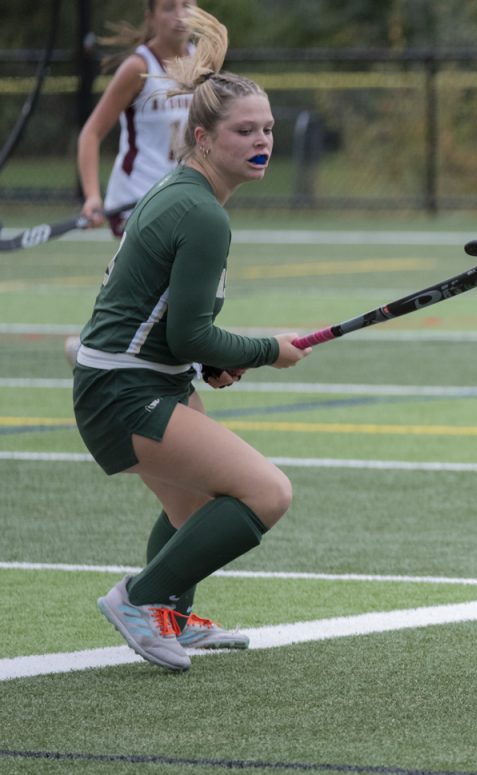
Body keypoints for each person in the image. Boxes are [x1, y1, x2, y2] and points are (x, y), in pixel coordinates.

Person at [74, 6, 310, 672]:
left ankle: (169, 614)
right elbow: (188, 329)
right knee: (268, 493)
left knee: (199, 505)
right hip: (125, 390)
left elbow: (178, 332)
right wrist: (268, 349)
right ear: (202, 137)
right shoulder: (200, 213)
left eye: (267, 128)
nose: (261, 141)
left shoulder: (185, 193)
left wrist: (211, 362)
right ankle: (139, 599)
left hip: (137, 379)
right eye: (244, 130)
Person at [77, 0, 196, 237]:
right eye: (169, 8)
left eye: (187, 5)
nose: (180, 15)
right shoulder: (138, 67)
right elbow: (91, 133)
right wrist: (92, 196)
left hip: (180, 195)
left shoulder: (201, 62)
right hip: (138, 197)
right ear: (150, 17)